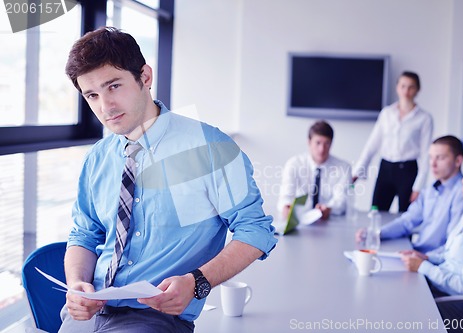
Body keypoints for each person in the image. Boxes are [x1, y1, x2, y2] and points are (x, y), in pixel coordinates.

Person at [58, 27, 277, 333]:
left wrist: (197, 282)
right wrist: (78, 284)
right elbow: (84, 234)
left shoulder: (209, 148)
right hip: (88, 314)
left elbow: (255, 230)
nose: (105, 107)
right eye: (92, 95)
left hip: (155, 317)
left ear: (145, 77)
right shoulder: (98, 157)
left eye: (114, 86)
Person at [401, 151, 463, 298]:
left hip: (450, 300)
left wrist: (423, 267)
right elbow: (450, 257)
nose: (462, 180)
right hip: (437, 286)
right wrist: (426, 258)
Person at [355, 135, 463, 253]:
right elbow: (407, 221)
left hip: (433, 260)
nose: (433, 164)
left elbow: (453, 244)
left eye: (440, 158)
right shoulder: (430, 190)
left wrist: (424, 259)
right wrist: (377, 233)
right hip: (418, 253)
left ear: (458, 161)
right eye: (431, 158)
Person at [352, 71, 433, 212]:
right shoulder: (387, 113)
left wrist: (418, 187)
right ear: (397, 87)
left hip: (408, 170)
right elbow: (372, 144)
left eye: (411, 87)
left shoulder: (424, 118)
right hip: (386, 168)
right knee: (376, 211)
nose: (406, 91)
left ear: (417, 90)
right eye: (403, 86)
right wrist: (358, 170)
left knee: (406, 215)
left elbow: (426, 154)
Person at [277, 120, 351, 220]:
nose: (322, 149)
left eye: (327, 143)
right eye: (318, 143)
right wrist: (286, 207)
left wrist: (329, 209)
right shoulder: (294, 164)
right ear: (309, 142)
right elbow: (285, 196)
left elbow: (341, 201)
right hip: (300, 220)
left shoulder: (343, 167)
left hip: (330, 221)